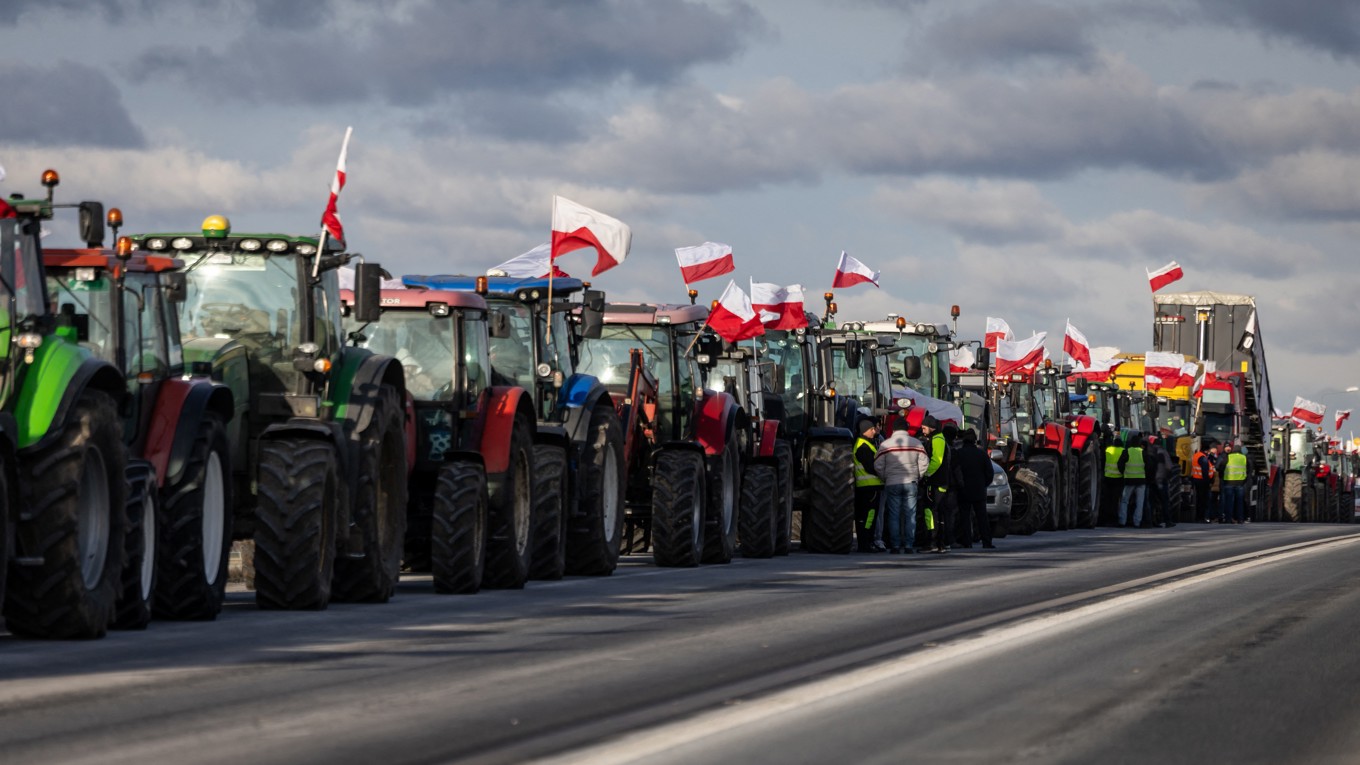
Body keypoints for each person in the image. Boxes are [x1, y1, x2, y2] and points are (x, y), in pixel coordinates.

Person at [874, 414, 929, 553]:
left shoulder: (885, 444)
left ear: (893, 429)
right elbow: (924, 463)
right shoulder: (916, 443)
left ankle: (895, 545)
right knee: (910, 514)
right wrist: (918, 476)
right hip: (911, 482)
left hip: (892, 483)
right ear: (907, 428)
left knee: (894, 515)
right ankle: (909, 545)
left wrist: (885, 477)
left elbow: (878, 465)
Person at [954, 428, 996, 548]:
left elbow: (955, 471)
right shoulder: (981, 454)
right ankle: (987, 542)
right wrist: (984, 484)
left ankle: (967, 541)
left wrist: (959, 485)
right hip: (979, 490)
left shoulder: (959, 453)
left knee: (965, 518)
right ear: (974, 441)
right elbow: (989, 473)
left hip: (964, 490)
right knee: (982, 517)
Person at [921, 415, 954, 553]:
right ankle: (941, 543)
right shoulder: (937, 438)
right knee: (939, 513)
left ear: (931, 427)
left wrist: (925, 474)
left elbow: (937, 460)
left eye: (924, 428)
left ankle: (933, 542)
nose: (922, 431)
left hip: (936, 482)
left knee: (931, 511)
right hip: (940, 481)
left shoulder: (937, 439)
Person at [852, 417, 884, 553]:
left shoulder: (863, 444)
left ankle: (866, 542)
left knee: (863, 517)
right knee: (869, 516)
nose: (874, 431)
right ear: (865, 430)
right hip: (870, 487)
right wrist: (883, 473)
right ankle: (866, 543)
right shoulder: (863, 446)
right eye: (871, 429)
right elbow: (871, 466)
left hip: (866, 486)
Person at [1117, 432, 1148, 527]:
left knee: (1124, 501)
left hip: (1129, 480)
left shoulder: (1126, 451)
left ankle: (1122, 521)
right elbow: (1149, 466)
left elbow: (1120, 464)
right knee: (1140, 503)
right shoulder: (1143, 452)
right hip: (1141, 481)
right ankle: (1137, 522)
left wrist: (1123, 473)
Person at [1146, 434, 1177, 527]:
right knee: (1164, 501)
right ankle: (1167, 521)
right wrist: (1168, 477)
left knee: (1152, 502)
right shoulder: (1163, 452)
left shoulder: (1149, 452)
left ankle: (1152, 521)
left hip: (1151, 480)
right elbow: (1168, 466)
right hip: (1161, 480)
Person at [1103, 429, 1127, 526]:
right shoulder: (1123, 451)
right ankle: (1114, 519)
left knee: (1107, 499)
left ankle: (1106, 519)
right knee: (1116, 500)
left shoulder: (1108, 450)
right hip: (1118, 478)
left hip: (1107, 477)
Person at [1221, 442, 1248, 524]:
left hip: (1229, 482)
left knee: (1229, 502)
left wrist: (1222, 476)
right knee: (1239, 502)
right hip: (1240, 483)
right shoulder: (1244, 458)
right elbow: (1248, 469)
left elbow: (1220, 467)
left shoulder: (1228, 456)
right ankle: (1240, 519)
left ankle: (1228, 519)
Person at [1192, 441, 1218, 522]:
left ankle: (1199, 517)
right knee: (1203, 501)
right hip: (1203, 481)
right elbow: (1205, 471)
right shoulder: (1203, 458)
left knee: (1200, 500)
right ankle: (1201, 517)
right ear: (1207, 450)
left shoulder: (1197, 455)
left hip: (1197, 480)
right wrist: (1208, 482)